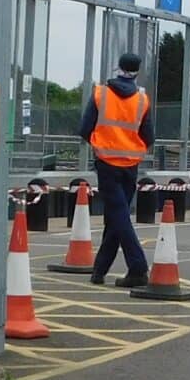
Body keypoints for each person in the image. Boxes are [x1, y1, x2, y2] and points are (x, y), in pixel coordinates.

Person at [78, 51, 157, 285]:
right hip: (130, 165)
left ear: (118, 67)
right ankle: (99, 270)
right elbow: (149, 136)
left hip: (106, 163)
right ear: (137, 71)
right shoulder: (142, 100)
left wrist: (100, 144)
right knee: (117, 215)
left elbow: (84, 128)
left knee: (118, 215)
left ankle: (138, 266)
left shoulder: (100, 94)